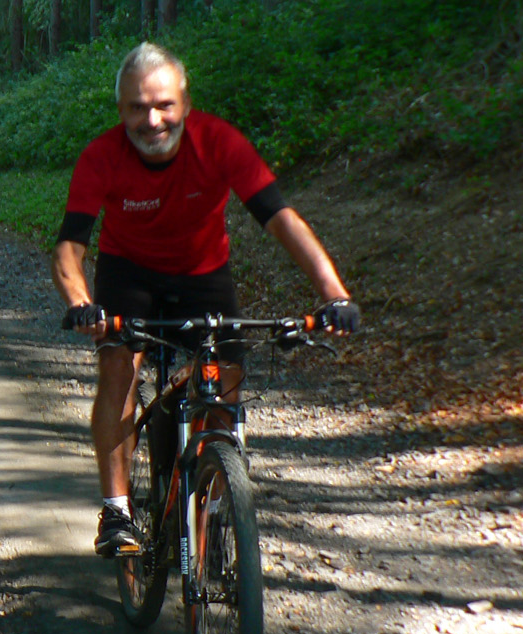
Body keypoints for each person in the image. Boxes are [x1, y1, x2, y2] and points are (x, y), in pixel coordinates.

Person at [51, 42, 359, 558]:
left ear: (186, 104)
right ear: (121, 110)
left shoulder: (219, 142)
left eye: (164, 105)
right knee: (119, 369)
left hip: (203, 274)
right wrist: (83, 303)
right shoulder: (101, 157)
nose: (152, 120)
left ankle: (215, 503)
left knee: (223, 385)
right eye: (137, 108)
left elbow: (281, 219)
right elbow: (69, 247)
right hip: (129, 273)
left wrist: (334, 294)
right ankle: (117, 510)